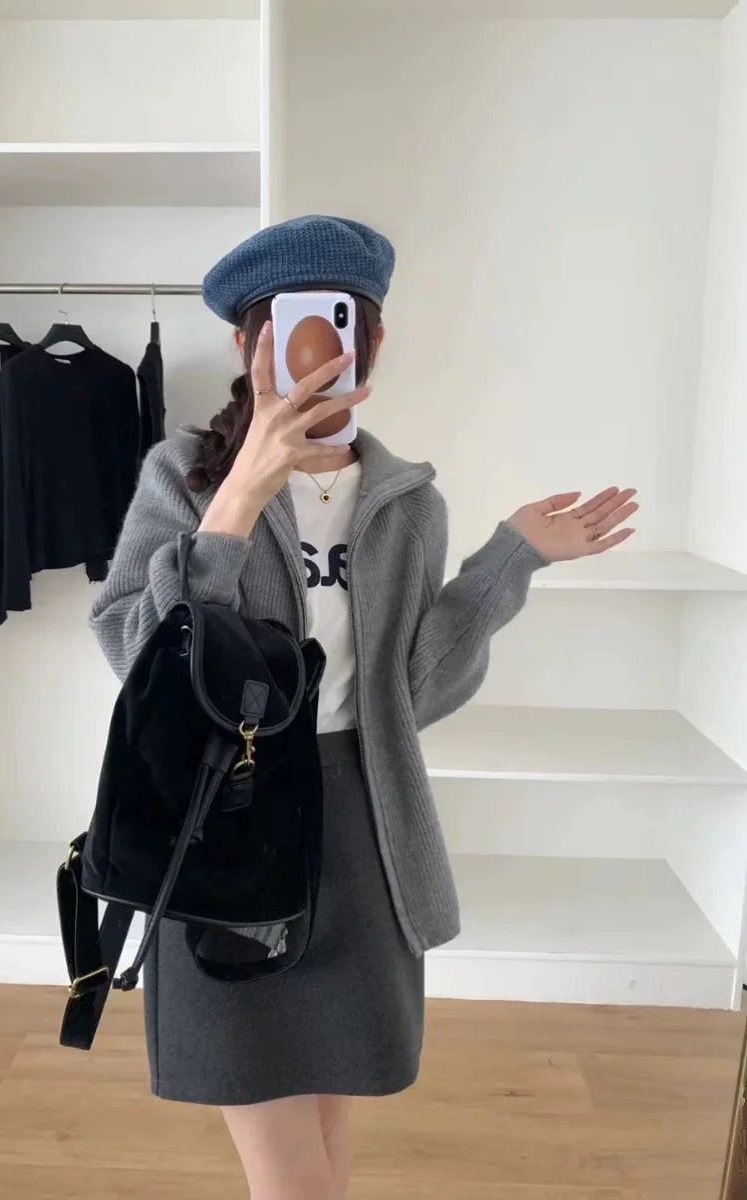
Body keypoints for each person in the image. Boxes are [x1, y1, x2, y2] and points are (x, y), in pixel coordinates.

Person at [90, 215, 638, 1200]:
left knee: (329, 1137)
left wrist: (510, 561)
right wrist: (236, 505)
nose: (317, 348)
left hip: (364, 831)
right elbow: (136, 653)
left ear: (372, 339)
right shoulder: (183, 476)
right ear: (249, 342)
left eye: (342, 322)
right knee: (290, 1171)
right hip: (225, 826)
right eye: (288, 324)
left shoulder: (408, 505)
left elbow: (409, 694)